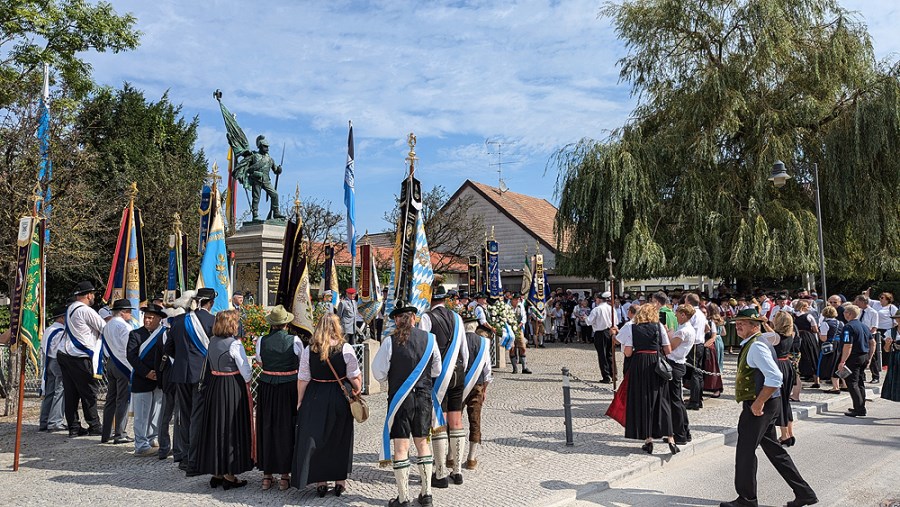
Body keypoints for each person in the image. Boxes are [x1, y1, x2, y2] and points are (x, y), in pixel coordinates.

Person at [721, 308, 817, 507]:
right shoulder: (756, 342)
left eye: (744, 322)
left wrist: (758, 403)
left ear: (755, 325)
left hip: (760, 404)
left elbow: (775, 377)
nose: (738, 326)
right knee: (774, 450)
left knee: (745, 451)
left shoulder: (757, 346)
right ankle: (804, 493)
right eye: (737, 322)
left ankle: (747, 499)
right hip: (766, 402)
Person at [372, 301, 443, 507]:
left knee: (401, 447)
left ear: (396, 320)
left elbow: (378, 373)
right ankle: (427, 494)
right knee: (423, 443)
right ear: (413, 318)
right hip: (423, 397)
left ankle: (403, 499)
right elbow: (436, 370)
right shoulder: (430, 339)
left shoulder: (389, 342)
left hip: (399, 399)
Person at [292, 313, 361, 497]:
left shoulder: (310, 349)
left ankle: (321, 483)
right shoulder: (345, 348)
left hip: (315, 394)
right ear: (337, 327)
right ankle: (340, 482)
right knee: (339, 437)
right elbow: (354, 376)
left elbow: (303, 378)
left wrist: (300, 400)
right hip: (339, 396)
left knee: (317, 438)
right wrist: (357, 389)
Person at [196, 309, 253, 489]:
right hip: (232, 387)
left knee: (216, 427)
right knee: (231, 428)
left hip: (215, 386)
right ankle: (230, 475)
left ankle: (217, 473)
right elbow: (246, 372)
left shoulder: (212, 341)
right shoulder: (235, 344)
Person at [418, 285, 469, 487]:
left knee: (438, 421)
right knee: (456, 421)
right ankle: (457, 472)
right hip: (458, 372)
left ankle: (439, 474)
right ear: (445, 299)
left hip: (438, 375)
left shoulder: (426, 318)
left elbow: (424, 348)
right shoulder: (457, 318)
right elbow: (464, 350)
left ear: (430, 299)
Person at [165, 288, 216, 476]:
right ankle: (194, 460)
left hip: (180, 374)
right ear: (210, 303)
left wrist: (182, 361)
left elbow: (168, 348)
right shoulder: (214, 321)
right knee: (197, 417)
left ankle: (185, 457)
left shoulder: (178, 321)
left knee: (183, 417)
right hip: (202, 375)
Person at [253, 305, 304, 490]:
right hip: (289, 387)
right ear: (286, 324)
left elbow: (259, 361)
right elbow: (302, 362)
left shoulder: (262, 340)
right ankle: (284, 476)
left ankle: (267, 476)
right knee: (286, 428)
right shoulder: (295, 341)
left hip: (267, 386)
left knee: (266, 426)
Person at [619, 304, 676, 454]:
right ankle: (670, 438)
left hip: (639, 365)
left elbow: (628, 353)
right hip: (656, 363)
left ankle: (648, 439)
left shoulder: (633, 328)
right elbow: (668, 350)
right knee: (662, 400)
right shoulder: (659, 327)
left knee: (644, 400)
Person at [58, 281, 107, 437]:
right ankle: (94, 425)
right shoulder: (86, 310)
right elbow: (104, 328)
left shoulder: (70, 308)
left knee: (71, 393)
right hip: (80, 355)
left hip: (65, 354)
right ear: (88, 295)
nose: (93, 297)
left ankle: (73, 427)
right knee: (88, 391)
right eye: (92, 294)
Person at [127, 303, 168, 457]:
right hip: (142, 379)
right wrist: (146, 373)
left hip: (159, 379)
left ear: (159, 319)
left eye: (151, 318)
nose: (147, 320)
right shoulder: (135, 334)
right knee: (141, 416)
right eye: (146, 317)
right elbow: (131, 357)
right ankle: (141, 444)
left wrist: (160, 373)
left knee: (157, 414)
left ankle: (153, 438)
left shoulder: (164, 334)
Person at [460, 310, 493, 471]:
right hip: (478, 385)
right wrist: (485, 388)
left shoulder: (457, 341)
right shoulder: (483, 342)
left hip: (458, 386)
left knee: (454, 421)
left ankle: (451, 456)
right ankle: (471, 458)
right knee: (475, 420)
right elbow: (487, 369)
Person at [99, 299, 136, 445]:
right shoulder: (124, 327)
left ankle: (106, 433)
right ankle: (120, 433)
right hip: (123, 364)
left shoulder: (108, 325)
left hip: (111, 362)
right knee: (123, 400)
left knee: (110, 399)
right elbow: (129, 348)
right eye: (128, 311)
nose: (130, 314)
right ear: (122, 312)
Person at [233, 134, 284, 221]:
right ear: (260, 146)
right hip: (256, 179)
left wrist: (279, 170)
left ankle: (276, 213)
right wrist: (251, 173)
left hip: (266, 180)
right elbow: (247, 169)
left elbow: (275, 171)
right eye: (265, 147)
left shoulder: (270, 159)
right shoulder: (254, 156)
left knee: (275, 194)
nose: (267, 149)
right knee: (256, 198)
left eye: (267, 147)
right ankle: (255, 215)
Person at [837, 304, 875, 417]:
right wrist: (870, 357)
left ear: (849, 314)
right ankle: (860, 405)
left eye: (844, 312)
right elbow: (872, 342)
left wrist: (842, 361)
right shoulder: (863, 326)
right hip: (863, 356)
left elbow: (848, 345)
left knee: (852, 382)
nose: (843, 314)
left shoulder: (848, 327)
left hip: (853, 357)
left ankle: (859, 409)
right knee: (859, 382)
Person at [667, 304, 695, 445]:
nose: (675, 315)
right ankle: (684, 431)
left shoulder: (683, 331)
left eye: (677, 313)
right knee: (677, 400)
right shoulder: (686, 329)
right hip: (679, 364)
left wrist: (667, 334)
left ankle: (680, 434)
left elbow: (670, 348)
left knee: (675, 401)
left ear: (683, 314)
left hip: (675, 364)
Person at [38, 305, 68, 432]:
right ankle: (55, 421)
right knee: (60, 391)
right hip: (57, 361)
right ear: (62, 317)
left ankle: (44, 421)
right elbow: (62, 348)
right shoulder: (61, 331)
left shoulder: (49, 329)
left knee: (50, 392)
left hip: (48, 361)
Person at [771, 312, 797, 447]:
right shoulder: (791, 334)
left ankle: (784, 434)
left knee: (780, 400)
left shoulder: (775, 337)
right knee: (786, 399)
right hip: (787, 364)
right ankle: (790, 432)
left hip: (778, 365)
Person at [866, 290, 897, 384]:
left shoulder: (892, 308)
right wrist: (866, 293)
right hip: (876, 330)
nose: (880, 299)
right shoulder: (876, 304)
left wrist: (892, 333)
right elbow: (867, 300)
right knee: (873, 353)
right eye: (880, 297)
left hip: (886, 331)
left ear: (888, 299)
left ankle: (890, 375)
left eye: (882, 298)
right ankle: (875, 376)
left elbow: (896, 321)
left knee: (887, 353)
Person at [586, 292, 617, 383]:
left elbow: (589, 321)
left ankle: (606, 376)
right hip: (611, 331)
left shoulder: (597, 309)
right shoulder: (612, 308)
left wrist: (585, 318)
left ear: (599, 299)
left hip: (600, 332)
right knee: (610, 354)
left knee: (602, 354)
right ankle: (613, 374)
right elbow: (616, 321)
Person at [684, 293, 708, 410]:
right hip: (700, 343)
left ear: (689, 302)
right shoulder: (701, 314)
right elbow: (707, 328)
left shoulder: (693, 313)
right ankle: (698, 398)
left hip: (694, 344)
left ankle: (695, 401)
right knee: (698, 372)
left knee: (695, 373)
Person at [816, 305, 844, 393]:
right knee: (839, 363)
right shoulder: (841, 323)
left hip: (830, 345)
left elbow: (823, 338)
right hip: (840, 345)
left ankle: (835, 387)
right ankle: (844, 384)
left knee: (832, 365)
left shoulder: (825, 324)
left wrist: (819, 334)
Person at [507, 293, 530, 374]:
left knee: (523, 347)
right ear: (512, 300)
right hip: (509, 329)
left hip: (518, 329)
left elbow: (524, 317)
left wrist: (520, 324)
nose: (517, 301)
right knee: (512, 348)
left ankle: (524, 368)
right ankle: (515, 368)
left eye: (518, 299)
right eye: (516, 299)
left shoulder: (520, 306)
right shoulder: (507, 306)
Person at [880, 310, 900, 402]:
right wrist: (887, 344)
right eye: (898, 318)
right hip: (895, 359)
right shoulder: (890, 332)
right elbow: (886, 350)